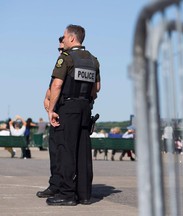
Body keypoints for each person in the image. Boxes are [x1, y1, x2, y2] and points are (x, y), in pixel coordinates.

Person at [46, 25, 101, 206]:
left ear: (71, 38)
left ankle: (67, 194)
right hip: (85, 108)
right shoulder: (93, 60)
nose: (63, 39)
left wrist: (51, 109)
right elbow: (97, 88)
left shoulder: (66, 58)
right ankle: (84, 194)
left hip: (68, 109)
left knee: (66, 150)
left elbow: (56, 85)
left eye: (64, 36)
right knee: (83, 151)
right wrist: (86, 101)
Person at [36, 36, 65, 199]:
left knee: (59, 152)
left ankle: (58, 186)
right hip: (59, 112)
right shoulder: (62, 64)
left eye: (62, 48)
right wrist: (46, 98)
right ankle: (57, 184)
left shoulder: (66, 63)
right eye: (59, 49)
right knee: (55, 151)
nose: (60, 51)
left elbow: (57, 86)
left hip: (62, 113)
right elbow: (51, 87)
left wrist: (51, 106)